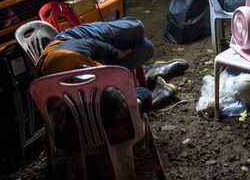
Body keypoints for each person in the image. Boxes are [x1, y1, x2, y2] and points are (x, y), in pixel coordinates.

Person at [36, 17, 177, 146]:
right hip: (95, 71)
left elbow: (92, 44)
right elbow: (141, 95)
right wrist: (136, 102)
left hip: (71, 41)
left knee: (136, 32)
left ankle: (154, 88)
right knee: (144, 44)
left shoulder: (62, 57)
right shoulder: (114, 114)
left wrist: (116, 52)